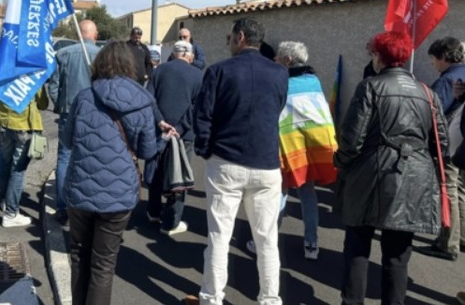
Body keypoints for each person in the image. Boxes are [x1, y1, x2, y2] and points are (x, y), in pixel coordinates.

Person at [334, 31, 447, 305]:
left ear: (378, 56)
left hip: (371, 175)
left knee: (358, 245)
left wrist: (340, 162)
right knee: (398, 254)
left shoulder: (370, 87)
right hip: (415, 178)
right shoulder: (428, 93)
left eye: (373, 53)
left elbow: (352, 139)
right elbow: (441, 145)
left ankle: (352, 302)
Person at [190, 17, 288, 305]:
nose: (229, 42)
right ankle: (270, 299)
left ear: (241, 37)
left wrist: (205, 149)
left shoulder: (219, 71)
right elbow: (277, 109)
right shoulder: (280, 74)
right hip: (266, 164)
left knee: (219, 235)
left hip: (226, 161)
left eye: (230, 37)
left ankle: (211, 298)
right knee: (267, 238)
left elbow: (203, 115)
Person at [63, 40, 163, 305]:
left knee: (79, 256)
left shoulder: (85, 97)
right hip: (119, 194)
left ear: (100, 64)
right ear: (129, 65)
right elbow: (146, 151)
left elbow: (67, 140)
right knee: (103, 264)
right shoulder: (143, 101)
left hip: (81, 188)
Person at [274, 41, 338, 259]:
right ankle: (311, 243)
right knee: (307, 194)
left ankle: (269, 243)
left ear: (288, 61)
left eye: (279, 57)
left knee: (280, 193)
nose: (275, 60)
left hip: (288, 148)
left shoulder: (282, 82)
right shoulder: (314, 81)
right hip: (310, 148)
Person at [414, 36, 465, 262]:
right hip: (461, 145)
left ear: (444, 57)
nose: (433, 64)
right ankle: (460, 236)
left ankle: (447, 244)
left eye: (434, 59)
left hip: (448, 145)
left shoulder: (447, 80)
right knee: (460, 191)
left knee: (448, 192)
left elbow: (435, 114)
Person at [146, 39, 203, 235]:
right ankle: (170, 222)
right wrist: (179, 127)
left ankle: (153, 212)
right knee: (178, 176)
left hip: (159, 130)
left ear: (173, 53)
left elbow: (149, 99)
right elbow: (196, 107)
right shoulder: (197, 75)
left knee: (156, 171)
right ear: (190, 55)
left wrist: (161, 121)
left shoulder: (158, 71)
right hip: (184, 134)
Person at [48, 19, 101, 224]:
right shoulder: (101, 56)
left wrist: (60, 105)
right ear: (94, 35)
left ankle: (62, 206)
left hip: (68, 112)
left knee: (65, 158)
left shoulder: (63, 54)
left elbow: (53, 86)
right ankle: (86, 204)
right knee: (91, 158)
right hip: (94, 115)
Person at [0, 86, 49, 227]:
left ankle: (6, 201)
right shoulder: (31, 75)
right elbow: (43, 104)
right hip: (24, 126)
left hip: (5, 125)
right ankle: (11, 214)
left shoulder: (4, 73)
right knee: (17, 171)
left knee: (6, 166)